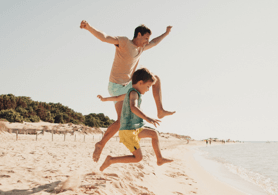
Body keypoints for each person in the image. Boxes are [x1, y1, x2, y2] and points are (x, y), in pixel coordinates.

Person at [80, 20, 175, 162]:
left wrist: (166, 33)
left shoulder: (141, 48)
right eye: (145, 38)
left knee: (155, 79)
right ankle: (100, 144)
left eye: (147, 39)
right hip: (117, 85)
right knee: (120, 121)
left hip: (129, 83)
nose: (147, 41)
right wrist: (88, 28)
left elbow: (155, 42)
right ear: (138, 34)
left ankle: (160, 110)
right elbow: (105, 38)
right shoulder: (124, 42)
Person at [98, 68, 173, 171]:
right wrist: (147, 118)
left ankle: (159, 159)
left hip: (135, 129)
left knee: (154, 134)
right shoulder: (134, 94)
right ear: (140, 83)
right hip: (128, 131)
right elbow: (133, 107)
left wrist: (104, 99)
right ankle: (111, 160)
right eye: (148, 86)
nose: (148, 90)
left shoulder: (130, 93)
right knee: (138, 158)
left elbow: (117, 98)